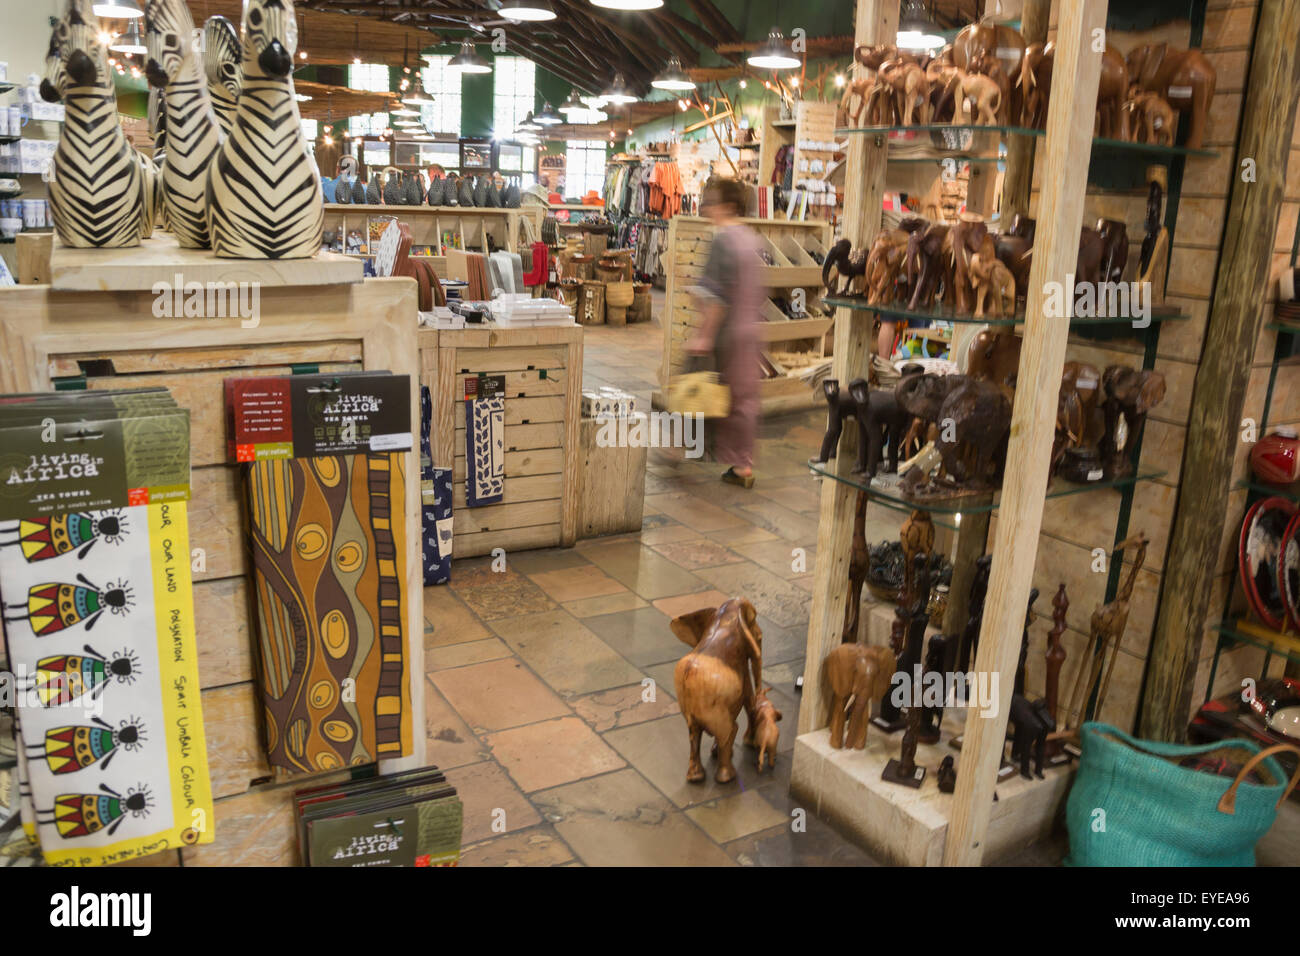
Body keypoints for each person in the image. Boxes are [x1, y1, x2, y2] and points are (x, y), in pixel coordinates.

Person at [686, 177, 762, 488]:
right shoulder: (751, 239)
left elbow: (715, 296)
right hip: (750, 329)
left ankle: (682, 448)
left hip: (726, 332)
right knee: (744, 400)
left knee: (696, 389)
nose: (708, 208)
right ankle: (743, 465)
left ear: (727, 206)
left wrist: (704, 334)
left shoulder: (722, 240)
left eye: (713, 202)